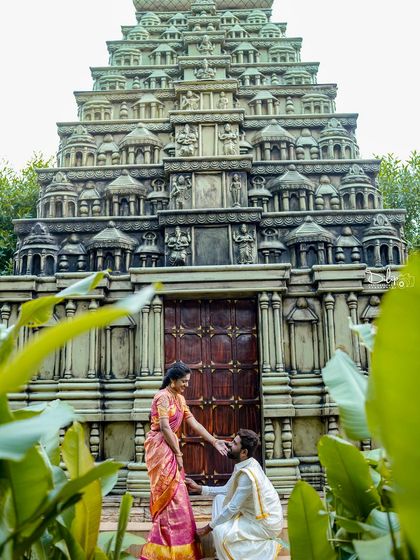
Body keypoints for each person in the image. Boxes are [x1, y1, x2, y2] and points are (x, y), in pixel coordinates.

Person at [140, 362, 229, 560]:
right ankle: (163, 549)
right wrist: (178, 454)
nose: (186, 385)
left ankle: (180, 548)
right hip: (160, 449)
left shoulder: (179, 399)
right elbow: (164, 427)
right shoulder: (162, 397)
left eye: (187, 381)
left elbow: (194, 423)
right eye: (184, 381)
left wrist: (214, 441)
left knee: (177, 495)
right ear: (172, 380)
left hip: (171, 448)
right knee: (168, 493)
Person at [185, 429, 283, 560]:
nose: (230, 445)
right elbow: (226, 490)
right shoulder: (245, 464)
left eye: (235, 443)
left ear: (244, 452)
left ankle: (267, 549)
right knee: (219, 499)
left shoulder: (248, 474)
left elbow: (232, 508)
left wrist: (208, 528)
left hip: (265, 523)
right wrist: (199, 488)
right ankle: (220, 554)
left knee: (219, 531)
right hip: (251, 515)